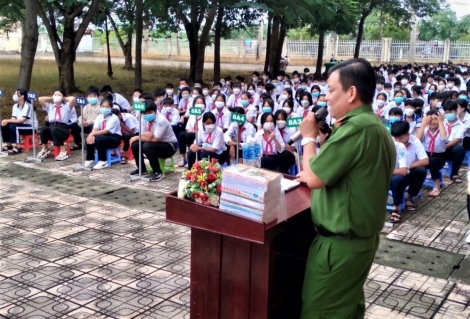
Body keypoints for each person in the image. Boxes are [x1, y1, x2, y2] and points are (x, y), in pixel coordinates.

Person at [295, 58, 395, 318]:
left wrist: (308, 138)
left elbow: (314, 176)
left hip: (339, 247)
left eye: (330, 90)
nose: (326, 98)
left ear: (351, 93)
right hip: (356, 242)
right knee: (346, 310)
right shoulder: (374, 126)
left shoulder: (357, 129)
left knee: (321, 311)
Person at [129, 99, 177, 181]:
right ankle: (141, 168)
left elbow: (154, 139)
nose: (147, 115)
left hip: (169, 146)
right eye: (145, 113)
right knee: (136, 144)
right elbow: (142, 134)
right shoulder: (144, 119)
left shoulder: (161, 120)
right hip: (154, 143)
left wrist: (136, 137)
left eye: (149, 112)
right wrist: (142, 135)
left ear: (155, 111)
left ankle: (158, 172)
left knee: (147, 145)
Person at [391, 121, 428, 216]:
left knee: (421, 170)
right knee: (396, 178)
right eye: (395, 138)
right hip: (394, 172)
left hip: (409, 171)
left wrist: (406, 167)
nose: (398, 140)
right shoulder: (391, 142)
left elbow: (425, 160)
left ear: (408, 134)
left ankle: (409, 197)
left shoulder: (415, 142)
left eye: (401, 137)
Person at [37, 89, 76, 160]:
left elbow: (72, 99)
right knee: (44, 129)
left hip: (63, 128)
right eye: (55, 94)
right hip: (52, 127)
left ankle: (63, 151)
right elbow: (40, 99)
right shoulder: (50, 106)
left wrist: (63, 98)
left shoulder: (66, 107)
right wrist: (52, 98)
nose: (57, 96)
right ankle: (45, 149)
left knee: (55, 129)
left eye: (59, 95)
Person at [83, 99, 122, 170]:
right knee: (89, 138)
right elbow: (95, 128)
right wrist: (91, 135)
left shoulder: (114, 118)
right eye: (103, 106)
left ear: (111, 108)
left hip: (114, 138)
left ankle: (103, 161)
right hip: (103, 136)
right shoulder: (99, 117)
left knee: (98, 138)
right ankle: (90, 159)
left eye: (107, 107)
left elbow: (106, 131)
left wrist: (92, 134)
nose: (104, 108)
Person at [416, 110, 448, 197]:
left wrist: (441, 122)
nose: (433, 122)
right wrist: (423, 124)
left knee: (432, 161)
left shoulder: (443, 129)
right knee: (415, 163)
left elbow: (444, 138)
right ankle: (413, 185)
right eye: (431, 119)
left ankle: (437, 186)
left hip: (439, 157)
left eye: (436, 119)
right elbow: (417, 140)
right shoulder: (425, 130)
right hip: (426, 155)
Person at [1, 88, 37, 155]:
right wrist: (6, 122)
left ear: (22, 96)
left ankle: (18, 147)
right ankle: (9, 144)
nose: (14, 95)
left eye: (16, 94)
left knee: (13, 126)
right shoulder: (15, 106)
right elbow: (13, 118)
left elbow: (22, 120)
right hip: (20, 125)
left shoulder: (28, 106)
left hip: (30, 127)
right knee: (5, 125)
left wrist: (8, 121)